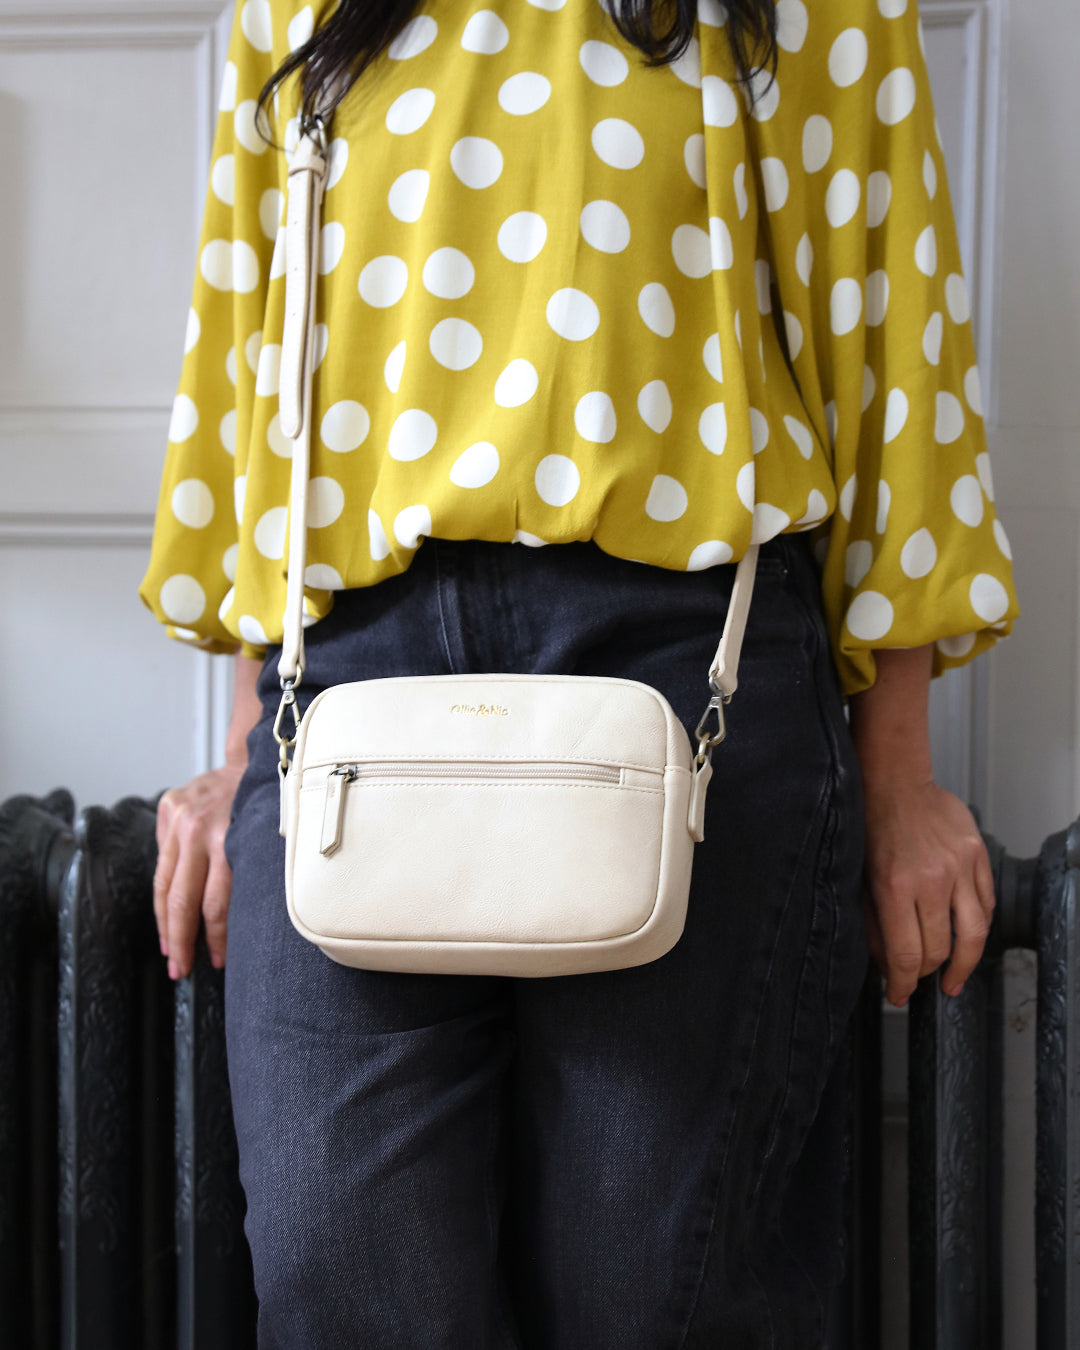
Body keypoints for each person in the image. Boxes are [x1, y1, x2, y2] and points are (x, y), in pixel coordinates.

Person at [138, 0, 1019, 1343]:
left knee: (651, 1294)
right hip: (355, 684)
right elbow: (260, 364)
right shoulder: (296, 11)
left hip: (692, 666)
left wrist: (900, 775)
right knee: (342, 1278)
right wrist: (250, 747)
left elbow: (889, 332)